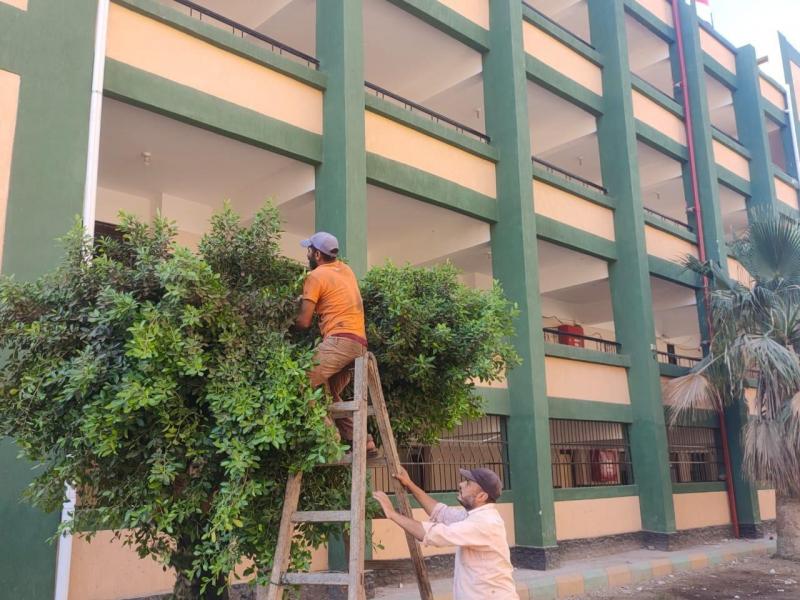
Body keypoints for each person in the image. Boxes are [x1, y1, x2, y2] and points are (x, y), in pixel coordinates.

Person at [373, 466, 519, 600]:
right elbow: (440, 513)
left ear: (482, 496)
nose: (461, 484)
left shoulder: (484, 523)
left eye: (468, 483)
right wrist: (409, 484)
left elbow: (433, 534)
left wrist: (392, 514)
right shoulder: (474, 516)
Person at [295, 231, 377, 455]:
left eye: (309, 250)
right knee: (327, 393)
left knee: (300, 381)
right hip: (358, 344)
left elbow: (304, 322)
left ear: (317, 255)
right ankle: (364, 441)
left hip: (340, 341)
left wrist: (287, 319)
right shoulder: (346, 270)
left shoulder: (315, 276)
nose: (308, 255)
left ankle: (330, 441)